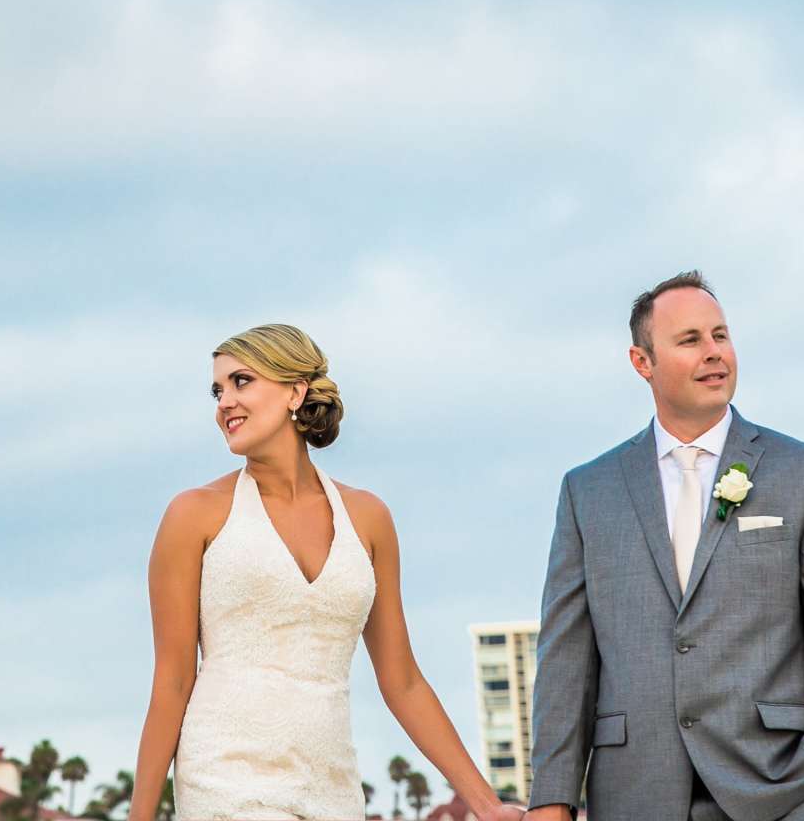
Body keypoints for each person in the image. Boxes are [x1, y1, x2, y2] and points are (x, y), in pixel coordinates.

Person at [128, 322, 525, 821]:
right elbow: (172, 679)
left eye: (241, 381)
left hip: (332, 786)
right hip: (226, 780)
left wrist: (487, 806)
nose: (224, 402)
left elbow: (402, 680)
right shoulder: (194, 514)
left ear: (296, 392)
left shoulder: (369, 517)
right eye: (217, 389)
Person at [527, 271, 804, 821]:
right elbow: (566, 657)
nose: (714, 353)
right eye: (690, 340)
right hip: (635, 795)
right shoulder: (587, 491)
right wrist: (551, 798)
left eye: (721, 335)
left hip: (785, 789)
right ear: (642, 362)